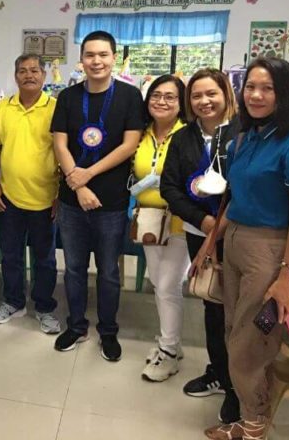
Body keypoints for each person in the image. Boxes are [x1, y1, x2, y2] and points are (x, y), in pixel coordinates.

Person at [203, 58, 289, 440]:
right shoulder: (247, 137)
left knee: (250, 339)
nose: (255, 95)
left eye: (267, 88)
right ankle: (252, 411)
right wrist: (211, 243)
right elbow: (234, 199)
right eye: (250, 86)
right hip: (236, 239)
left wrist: (287, 275)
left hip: (268, 250)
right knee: (233, 330)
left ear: (285, 93)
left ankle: (254, 423)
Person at [51, 30, 144, 360]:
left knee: (108, 270)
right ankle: (76, 326)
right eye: (90, 55)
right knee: (74, 268)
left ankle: (108, 331)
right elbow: (59, 143)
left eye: (103, 55)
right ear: (82, 59)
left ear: (113, 58)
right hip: (72, 200)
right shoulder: (68, 97)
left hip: (111, 202)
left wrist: (87, 176)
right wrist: (77, 185)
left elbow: (129, 144)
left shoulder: (131, 97)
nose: (96, 61)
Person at [161, 68, 241, 423]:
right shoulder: (183, 139)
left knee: (240, 311)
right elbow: (170, 189)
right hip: (200, 233)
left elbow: (251, 187)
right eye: (196, 96)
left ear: (225, 94)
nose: (204, 101)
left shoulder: (244, 134)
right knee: (213, 302)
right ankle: (220, 374)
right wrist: (206, 223)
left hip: (241, 235)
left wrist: (223, 226)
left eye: (212, 93)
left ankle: (242, 386)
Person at [0, 54, 60, 334]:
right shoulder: (2, 109)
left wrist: (60, 194)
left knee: (45, 258)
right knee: (11, 255)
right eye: (22, 71)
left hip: (46, 198)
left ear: (43, 75)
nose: (28, 75)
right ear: (15, 76)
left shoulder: (56, 108)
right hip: (9, 196)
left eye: (34, 70)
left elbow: (64, 153)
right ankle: (13, 302)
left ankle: (44, 307)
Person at [131, 75, 188, 382]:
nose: (162, 101)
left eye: (170, 97)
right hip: (150, 220)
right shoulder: (142, 133)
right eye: (156, 95)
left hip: (180, 221)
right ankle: (172, 345)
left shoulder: (188, 135)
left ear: (181, 104)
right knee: (159, 282)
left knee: (168, 285)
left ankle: (167, 352)